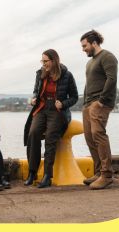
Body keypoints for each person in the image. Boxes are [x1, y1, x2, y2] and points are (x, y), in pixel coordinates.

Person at [23, 49, 78, 188]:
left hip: (57, 110)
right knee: (33, 133)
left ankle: (47, 175)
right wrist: (34, 98)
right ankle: (32, 172)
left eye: (45, 61)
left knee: (50, 137)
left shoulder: (67, 75)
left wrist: (63, 104)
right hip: (41, 108)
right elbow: (36, 90)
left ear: (54, 61)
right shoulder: (40, 73)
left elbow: (74, 97)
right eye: (42, 61)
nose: (43, 64)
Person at [80, 30, 118, 190]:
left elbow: (112, 79)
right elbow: (89, 83)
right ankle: (98, 172)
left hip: (100, 103)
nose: (83, 49)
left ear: (94, 42)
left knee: (98, 135)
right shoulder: (90, 62)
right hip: (88, 104)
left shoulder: (107, 56)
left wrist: (101, 101)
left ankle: (107, 175)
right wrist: (85, 103)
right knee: (89, 137)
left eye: (85, 45)